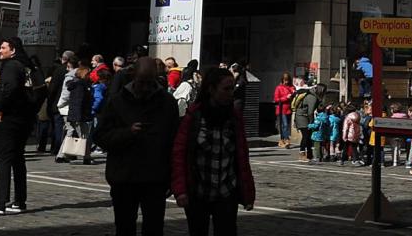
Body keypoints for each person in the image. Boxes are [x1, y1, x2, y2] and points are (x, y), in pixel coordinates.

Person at [97, 47, 179, 236]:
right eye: (142, 82)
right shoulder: (117, 101)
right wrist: (127, 133)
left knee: (154, 227)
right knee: (125, 227)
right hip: (124, 177)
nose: (145, 88)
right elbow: (101, 136)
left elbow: (174, 141)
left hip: (155, 177)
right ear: (134, 77)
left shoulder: (167, 103)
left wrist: (172, 177)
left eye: (150, 83)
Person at [171, 66, 257, 236]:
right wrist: (180, 190)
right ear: (211, 89)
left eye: (232, 88)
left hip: (226, 191)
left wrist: (248, 192)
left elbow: (241, 156)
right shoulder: (194, 116)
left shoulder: (234, 117)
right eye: (226, 89)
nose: (231, 93)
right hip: (198, 190)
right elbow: (179, 153)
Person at [0, 38, 34, 216]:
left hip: (10, 118)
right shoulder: (28, 67)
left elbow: (8, 88)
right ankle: (20, 200)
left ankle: (1, 203)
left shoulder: (10, 66)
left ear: (13, 50)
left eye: (3, 48)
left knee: (5, 159)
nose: (0, 51)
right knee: (18, 158)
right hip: (24, 118)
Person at [291, 82, 316, 161]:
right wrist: (312, 122)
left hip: (299, 117)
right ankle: (302, 154)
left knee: (307, 136)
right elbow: (310, 112)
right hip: (304, 119)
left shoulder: (306, 96)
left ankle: (309, 154)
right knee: (306, 136)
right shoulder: (311, 97)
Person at [271, 76, 295, 149]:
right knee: (285, 125)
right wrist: (286, 97)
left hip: (289, 108)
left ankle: (283, 139)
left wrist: (293, 95)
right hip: (282, 109)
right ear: (282, 80)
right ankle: (286, 139)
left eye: (287, 80)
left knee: (286, 125)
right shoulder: (279, 88)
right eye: (285, 80)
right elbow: (276, 99)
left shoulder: (292, 87)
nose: (286, 82)